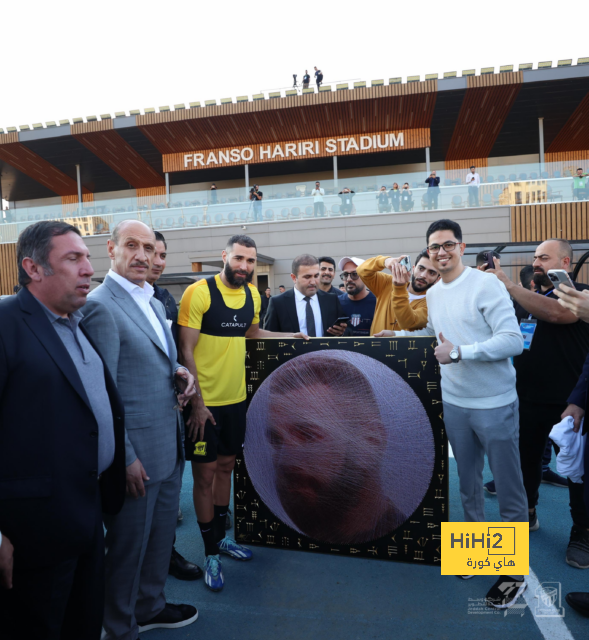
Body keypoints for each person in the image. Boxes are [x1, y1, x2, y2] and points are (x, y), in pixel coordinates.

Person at [391, 218, 529, 609]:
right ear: (428, 251)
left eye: (448, 244)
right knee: (467, 485)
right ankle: (475, 554)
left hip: (495, 404)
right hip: (455, 404)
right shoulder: (434, 293)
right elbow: (434, 335)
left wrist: (459, 353)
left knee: (508, 489)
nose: (441, 251)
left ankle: (513, 572)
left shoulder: (485, 285)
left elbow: (513, 341)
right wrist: (397, 337)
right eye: (435, 246)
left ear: (462, 247)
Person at [0, 221, 126, 640]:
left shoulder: (78, 321)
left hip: (86, 513)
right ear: (33, 269)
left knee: (83, 623)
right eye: (73, 258)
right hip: (33, 529)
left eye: (88, 258)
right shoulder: (5, 324)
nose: (89, 268)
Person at [82, 220, 199, 638]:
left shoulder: (151, 300)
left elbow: (155, 361)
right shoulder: (100, 305)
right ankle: (118, 624)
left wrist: (181, 372)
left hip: (167, 444)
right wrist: (125, 456)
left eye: (148, 248)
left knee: (159, 539)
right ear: (111, 249)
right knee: (128, 547)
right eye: (131, 245)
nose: (142, 255)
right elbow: (103, 393)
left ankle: (150, 606)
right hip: (135, 456)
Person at [178, 235, 308, 593]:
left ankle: (221, 539)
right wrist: (198, 404)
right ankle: (208, 552)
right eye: (239, 259)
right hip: (203, 405)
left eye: (250, 261)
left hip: (236, 401)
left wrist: (286, 336)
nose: (245, 267)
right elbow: (185, 351)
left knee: (225, 469)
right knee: (203, 478)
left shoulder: (252, 295)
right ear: (225, 256)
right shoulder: (199, 293)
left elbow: (251, 332)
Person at [487, 239, 589, 567]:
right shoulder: (526, 299)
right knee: (525, 462)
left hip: (570, 402)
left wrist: (507, 284)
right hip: (526, 398)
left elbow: (559, 314)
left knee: (575, 472)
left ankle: (583, 533)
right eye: (534, 257)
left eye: (543, 257)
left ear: (565, 261)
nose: (537, 262)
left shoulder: (581, 294)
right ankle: (526, 512)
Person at [147, 231, 203, 582]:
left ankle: (164, 555)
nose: (155, 260)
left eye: (161, 254)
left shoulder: (164, 299)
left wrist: (180, 372)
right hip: (137, 428)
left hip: (172, 416)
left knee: (166, 502)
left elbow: (173, 352)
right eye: (146, 250)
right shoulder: (100, 304)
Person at [357, 250, 439, 335]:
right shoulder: (387, 283)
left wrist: (399, 288)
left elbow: (407, 322)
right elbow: (361, 271)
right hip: (374, 346)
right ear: (413, 268)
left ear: (438, 279)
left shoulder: (432, 304)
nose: (423, 275)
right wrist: (385, 261)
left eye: (431, 273)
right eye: (421, 268)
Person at [264, 254, 349, 336]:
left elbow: (347, 331)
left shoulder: (331, 300)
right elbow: (269, 338)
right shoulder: (278, 303)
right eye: (307, 277)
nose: (313, 282)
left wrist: (341, 333)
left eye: (316, 276)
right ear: (294, 278)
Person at [338, 257, 377, 336]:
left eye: (354, 274)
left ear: (366, 276)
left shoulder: (378, 302)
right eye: (345, 275)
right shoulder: (337, 303)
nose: (349, 279)